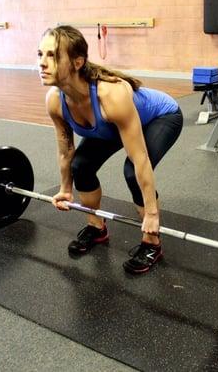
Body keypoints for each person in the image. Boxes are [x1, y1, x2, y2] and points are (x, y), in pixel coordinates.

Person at [37, 25, 183, 274]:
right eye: (40, 54)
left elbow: (140, 159)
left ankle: (152, 242)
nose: (42, 63)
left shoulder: (110, 95)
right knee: (80, 166)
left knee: (130, 172)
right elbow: (66, 151)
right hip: (111, 126)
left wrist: (151, 213)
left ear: (77, 62)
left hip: (160, 117)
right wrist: (65, 189)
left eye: (52, 55)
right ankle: (96, 228)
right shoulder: (55, 100)